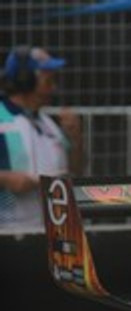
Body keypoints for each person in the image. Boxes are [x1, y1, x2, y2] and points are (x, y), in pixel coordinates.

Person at [0, 45, 82, 232]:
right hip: (7, 234)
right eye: (48, 79)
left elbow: (76, 171)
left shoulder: (49, 124)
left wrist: (76, 140)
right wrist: (5, 179)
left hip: (52, 234)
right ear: (25, 80)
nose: (54, 86)